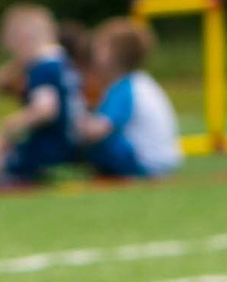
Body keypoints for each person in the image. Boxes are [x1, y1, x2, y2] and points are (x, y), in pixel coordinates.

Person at [0, 2, 84, 183]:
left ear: (23, 39)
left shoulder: (41, 69)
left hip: (46, 151)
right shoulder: (62, 61)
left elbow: (45, 110)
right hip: (69, 144)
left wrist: (13, 124)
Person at [78, 18, 185, 180]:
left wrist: (75, 124)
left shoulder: (124, 88)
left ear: (110, 54)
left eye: (100, 47)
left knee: (99, 146)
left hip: (145, 162)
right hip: (162, 160)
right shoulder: (140, 82)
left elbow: (100, 129)